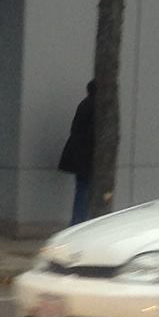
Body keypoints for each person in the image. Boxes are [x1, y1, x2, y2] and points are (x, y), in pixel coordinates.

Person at [59, 80, 96, 224]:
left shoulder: (84, 104)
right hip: (86, 156)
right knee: (85, 190)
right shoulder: (96, 106)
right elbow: (93, 134)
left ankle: (77, 221)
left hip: (78, 155)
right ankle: (80, 221)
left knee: (82, 189)